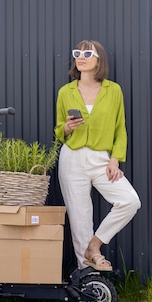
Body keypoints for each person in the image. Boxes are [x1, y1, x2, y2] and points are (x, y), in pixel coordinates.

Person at [54, 39, 141, 271]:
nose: (80, 57)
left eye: (87, 53)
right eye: (77, 53)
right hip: (72, 158)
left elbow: (120, 128)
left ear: (99, 60)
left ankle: (95, 245)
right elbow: (58, 130)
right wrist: (67, 128)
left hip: (102, 159)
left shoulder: (114, 90)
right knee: (80, 220)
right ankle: (88, 281)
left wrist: (115, 160)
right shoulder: (66, 91)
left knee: (130, 201)